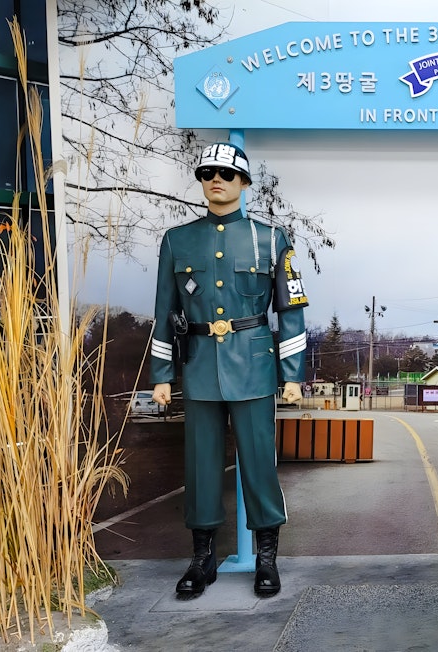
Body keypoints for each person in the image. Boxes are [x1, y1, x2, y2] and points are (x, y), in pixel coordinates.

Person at [150, 142, 309, 600]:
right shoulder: (177, 240)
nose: (215, 179)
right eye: (206, 173)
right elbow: (164, 310)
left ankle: (266, 558)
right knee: (200, 466)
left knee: (259, 463)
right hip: (199, 366)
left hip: (255, 365)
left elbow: (291, 311)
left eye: (225, 172)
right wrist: (162, 374)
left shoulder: (272, 239)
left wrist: (292, 373)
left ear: (243, 182)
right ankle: (202, 561)